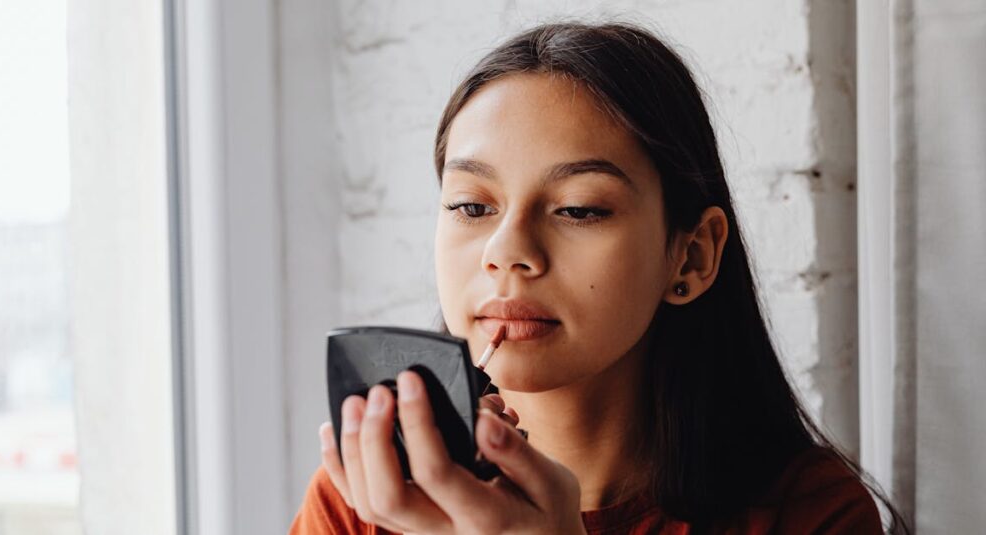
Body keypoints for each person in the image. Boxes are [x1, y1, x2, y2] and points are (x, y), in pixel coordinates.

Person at [289, 22, 908, 534]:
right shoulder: (372, 496)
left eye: (579, 209)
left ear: (690, 257)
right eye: (472, 207)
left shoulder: (810, 514)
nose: (507, 253)